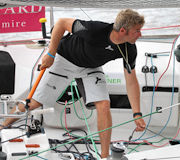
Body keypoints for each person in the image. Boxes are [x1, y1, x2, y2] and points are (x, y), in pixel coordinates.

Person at [1, 9, 146, 158]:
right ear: (123, 30)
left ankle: (104, 156)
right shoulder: (94, 30)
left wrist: (137, 113)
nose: (140, 34)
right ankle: (2, 126)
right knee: (34, 103)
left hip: (91, 67)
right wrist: (50, 54)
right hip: (66, 59)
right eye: (137, 31)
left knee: (104, 105)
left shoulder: (129, 49)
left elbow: (131, 80)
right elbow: (61, 23)